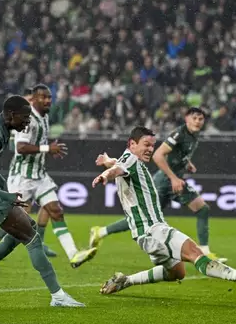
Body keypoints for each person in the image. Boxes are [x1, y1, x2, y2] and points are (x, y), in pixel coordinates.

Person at [92, 126, 236, 295]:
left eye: (153, 145)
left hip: (145, 234)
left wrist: (107, 161)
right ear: (132, 144)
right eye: (146, 144)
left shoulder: (127, 159)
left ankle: (126, 281)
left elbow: (117, 165)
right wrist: (105, 175)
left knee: (177, 273)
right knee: (195, 253)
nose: (151, 149)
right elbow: (116, 170)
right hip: (152, 230)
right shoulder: (129, 160)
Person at [0, 95, 84, 307]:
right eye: (25, 117)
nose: (27, 122)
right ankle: (58, 296)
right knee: (32, 236)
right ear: (11, 115)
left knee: (27, 227)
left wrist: (6, 191)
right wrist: (4, 195)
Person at [89, 107, 227, 263]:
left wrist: (186, 163)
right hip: (165, 182)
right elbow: (158, 155)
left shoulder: (194, 135)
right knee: (148, 217)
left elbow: (177, 154)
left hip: (173, 181)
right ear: (186, 118)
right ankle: (203, 253)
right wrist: (173, 178)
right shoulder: (178, 134)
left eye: (201, 119)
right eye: (194, 118)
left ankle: (101, 232)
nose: (197, 121)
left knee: (200, 209)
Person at [0, 84, 97, 268]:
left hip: (40, 176)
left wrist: (48, 149)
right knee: (14, 222)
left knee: (56, 211)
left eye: (49, 97)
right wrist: (47, 148)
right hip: (23, 178)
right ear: (34, 99)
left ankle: (74, 255)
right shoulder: (28, 120)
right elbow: (20, 148)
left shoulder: (44, 118)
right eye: (43, 97)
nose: (47, 101)